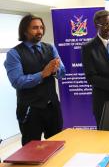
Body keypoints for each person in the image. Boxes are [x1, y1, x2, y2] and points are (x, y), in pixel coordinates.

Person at [4, 14, 66, 145]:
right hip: (30, 110)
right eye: (35, 28)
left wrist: (56, 71)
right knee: (31, 151)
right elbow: (17, 81)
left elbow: (62, 72)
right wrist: (43, 74)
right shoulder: (14, 54)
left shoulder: (50, 48)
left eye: (41, 27)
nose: (40, 31)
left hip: (52, 107)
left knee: (57, 145)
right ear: (25, 31)